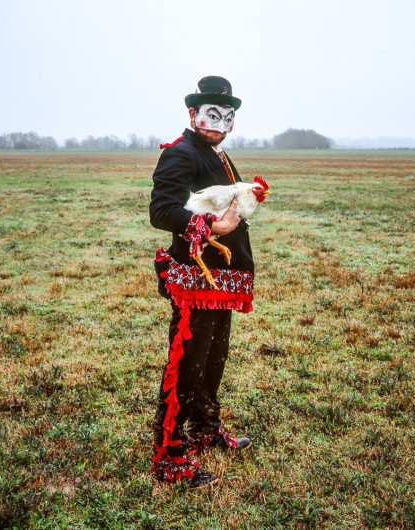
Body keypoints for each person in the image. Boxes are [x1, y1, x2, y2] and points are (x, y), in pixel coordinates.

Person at [149, 76, 254, 488]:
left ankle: (205, 430)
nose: (220, 122)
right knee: (187, 363)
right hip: (195, 277)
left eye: (227, 116)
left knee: (213, 358)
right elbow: (161, 211)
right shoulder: (180, 153)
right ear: (193, 114)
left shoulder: (219, 155)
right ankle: (169, 455)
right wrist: (210, 224)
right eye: (212, 114)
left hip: (222, 279)